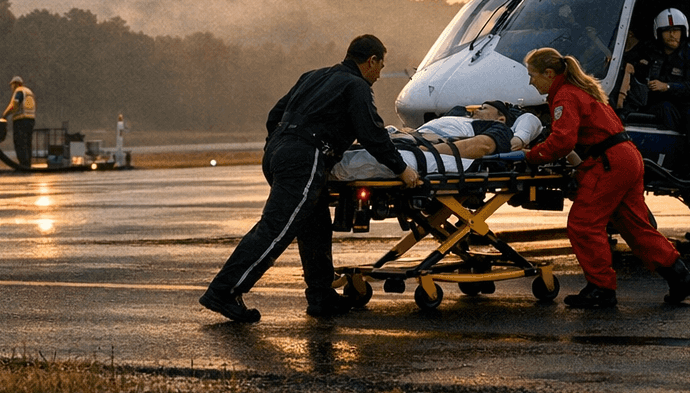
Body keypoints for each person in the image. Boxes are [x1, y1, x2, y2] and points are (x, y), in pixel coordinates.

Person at [200, 34, 422, 323]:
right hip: (304, 158)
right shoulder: (356, 86)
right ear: (371, 61)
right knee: (277, 228)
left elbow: (274, 116)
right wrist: (401, 168)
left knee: (315, 226)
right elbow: (372, 134)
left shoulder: (313, 76)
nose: (380, 74)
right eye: (381, 66)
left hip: (279, 151)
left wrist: (280, 145)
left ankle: (321, 296)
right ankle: (224, 291)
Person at [523, 46, 690, 309]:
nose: (531, 82)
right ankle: (681, 277)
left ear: (549, 73)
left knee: (584, 224)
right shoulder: (581, 90)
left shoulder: (565, 96)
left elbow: (562, 141)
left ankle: (601, 288)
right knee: (634, 225)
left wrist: (531, 156)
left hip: (608, 163)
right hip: (627, 157)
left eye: (532, 75)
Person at [329, 102, 546, 180]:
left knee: (361, 161)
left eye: (483, 108)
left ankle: (328, 167)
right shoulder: (457, 117)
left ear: (500, 118)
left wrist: (428, 150)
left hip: (423, 151)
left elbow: (481, 146)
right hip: (409, 139)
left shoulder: (497, 128)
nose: (476, 110)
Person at [624, 8, 690, 181]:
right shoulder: (650, 49)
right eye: (667, 31)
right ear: (659, 33)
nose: (672, 35)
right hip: (662, 102)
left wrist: (667, 87)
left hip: (688, 102)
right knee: (661, 110)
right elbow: (630, 58)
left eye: (676, 30)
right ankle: (672, 162)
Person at [4, 76, 36, 169]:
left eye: (12, 85)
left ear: (16, 84)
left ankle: (23, 164)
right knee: (28, 143)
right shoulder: (29, 92)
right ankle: (28, 164)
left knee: (20, 143)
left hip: (21, 120)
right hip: (31, 120)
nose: (11, 87)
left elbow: (15, 105)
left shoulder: (19, 91)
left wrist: (5, 114)